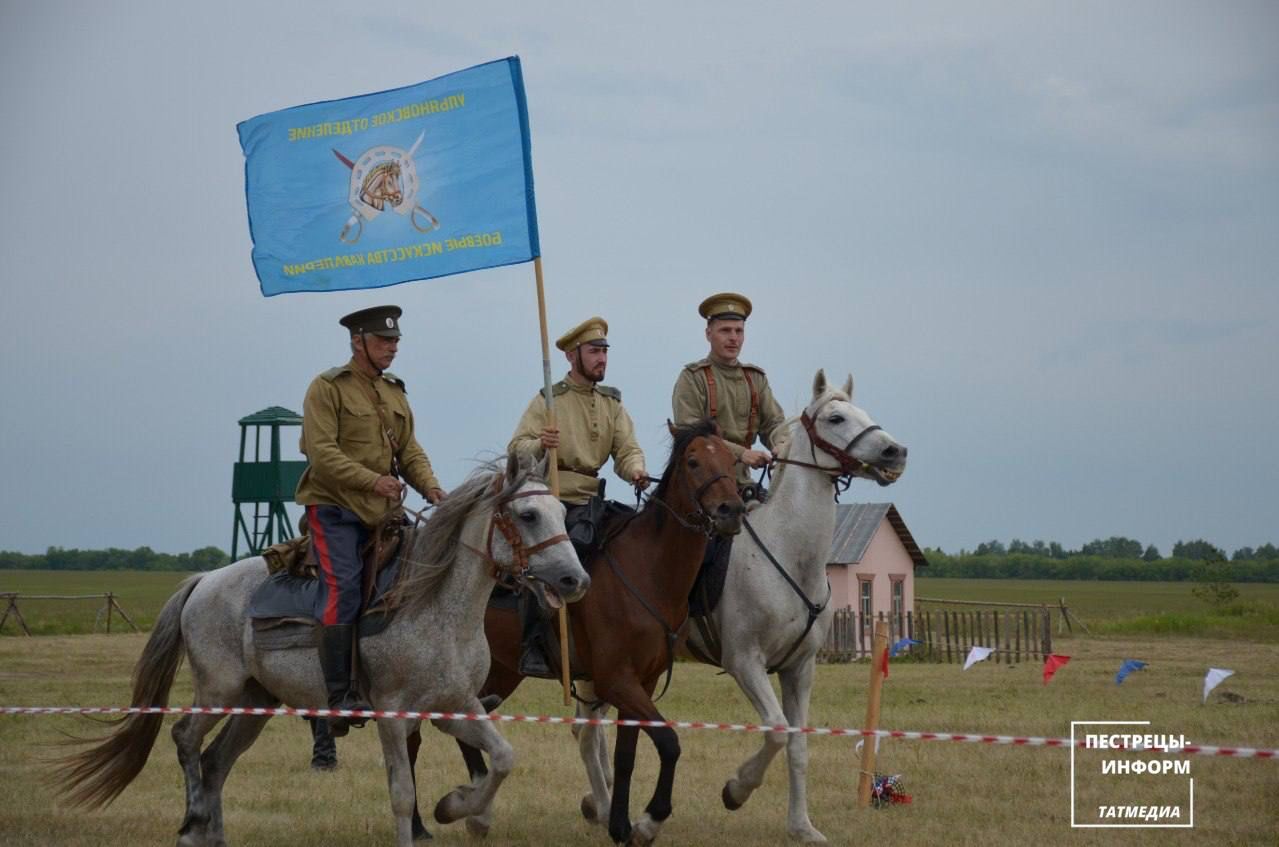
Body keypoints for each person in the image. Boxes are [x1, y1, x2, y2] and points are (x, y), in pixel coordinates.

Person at [295, 305, 446, 735]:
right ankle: (339, 696)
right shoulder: (327, 389)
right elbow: (322, 456)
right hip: (334, 510)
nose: (392, 349)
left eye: (396, 341)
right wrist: (372, 481)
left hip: (385, 514)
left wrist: (432, 489)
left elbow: (409, 451)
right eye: (383, 341)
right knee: (343, 586)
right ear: (357, 341)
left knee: (424, 579)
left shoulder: (395, 392)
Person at [507, 316, 648, 675]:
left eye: (604, 352)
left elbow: (627, 448)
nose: (602, 359)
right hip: (554, 500)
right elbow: (516, 450)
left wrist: (635, 469)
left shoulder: (612, 403)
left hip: (592, 500)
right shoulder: (549, 400)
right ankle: (533, 645)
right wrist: (541, 444)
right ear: (572, 356)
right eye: (594, 352)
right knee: (547, 564)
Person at [671, 292, 785, 500]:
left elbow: (774, 424)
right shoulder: (692, 378)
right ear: (708, 334)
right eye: (725, 330)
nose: (733, 338)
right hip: (703, 489)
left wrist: (782, 445)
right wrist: (742, 454)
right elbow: (692, 435)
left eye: (739, 331)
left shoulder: (755, 379)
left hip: (743, 485)